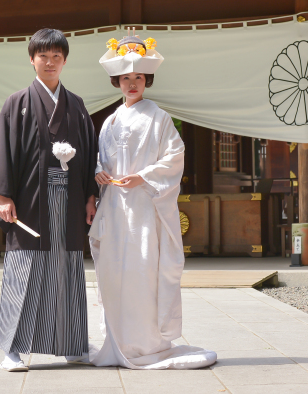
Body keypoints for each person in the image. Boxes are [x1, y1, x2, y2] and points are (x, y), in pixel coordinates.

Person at [89, 30, 218, 369]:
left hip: (145, 207)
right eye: (126, 78)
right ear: (117, 81)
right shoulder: (109, 122)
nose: (132, 83)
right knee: (114, 272)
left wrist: (143, 177)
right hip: (115, 207)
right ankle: (117, 340)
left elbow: (175, 157)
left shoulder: (159, 118)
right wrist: (100, 171)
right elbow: (99, 157)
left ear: (147, 81)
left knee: (144, 271)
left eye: (139, 77)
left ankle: (146, 343)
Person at [0, 28, 99, 372]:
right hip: (30, 199)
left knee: (66, 270)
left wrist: (91, 197)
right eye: (43, 56)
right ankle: (11, 349)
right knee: (25, 269)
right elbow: (4, 151)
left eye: (56, 57)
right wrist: (4, 195)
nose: (50, 63)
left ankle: (72, 345)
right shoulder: (17, 103)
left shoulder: (76, 105)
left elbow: (90, 152)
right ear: (32, 59)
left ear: (64, 61)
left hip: (68, 197)